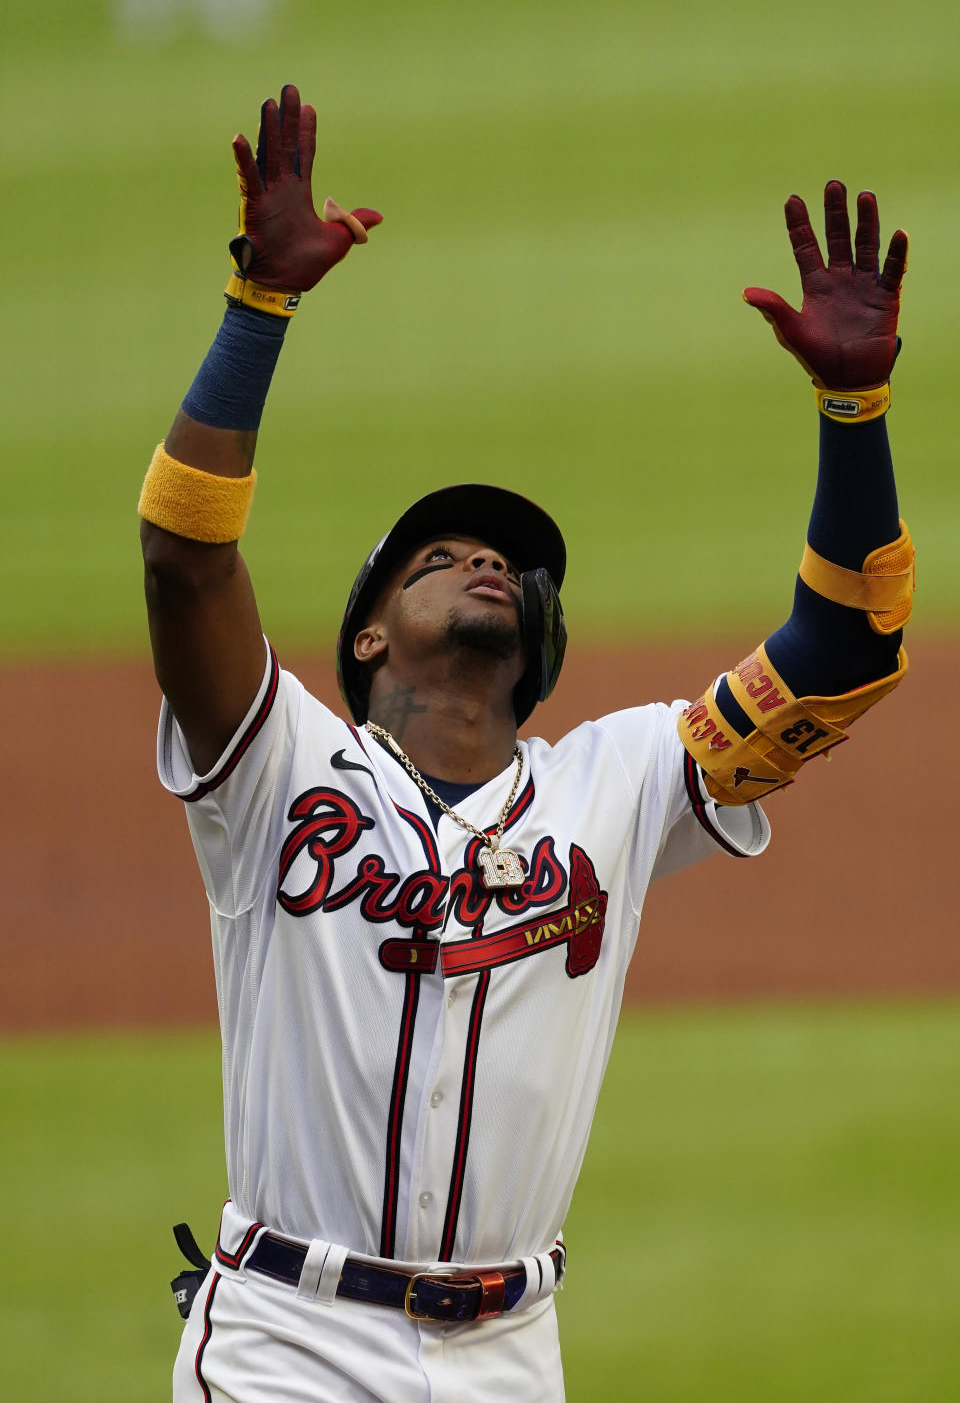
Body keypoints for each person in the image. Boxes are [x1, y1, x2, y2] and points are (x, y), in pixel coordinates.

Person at [139, 85, 913, 1403]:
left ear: (540, 643)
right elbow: (184, 553)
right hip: (288, 1341)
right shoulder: (279, 766)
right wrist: (256, 311)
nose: (484, 561)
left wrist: (857, 419)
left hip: (511, 1355)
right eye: (440, 557)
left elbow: (843, 661)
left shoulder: (619, 780)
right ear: (371, 637)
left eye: (506, 561)